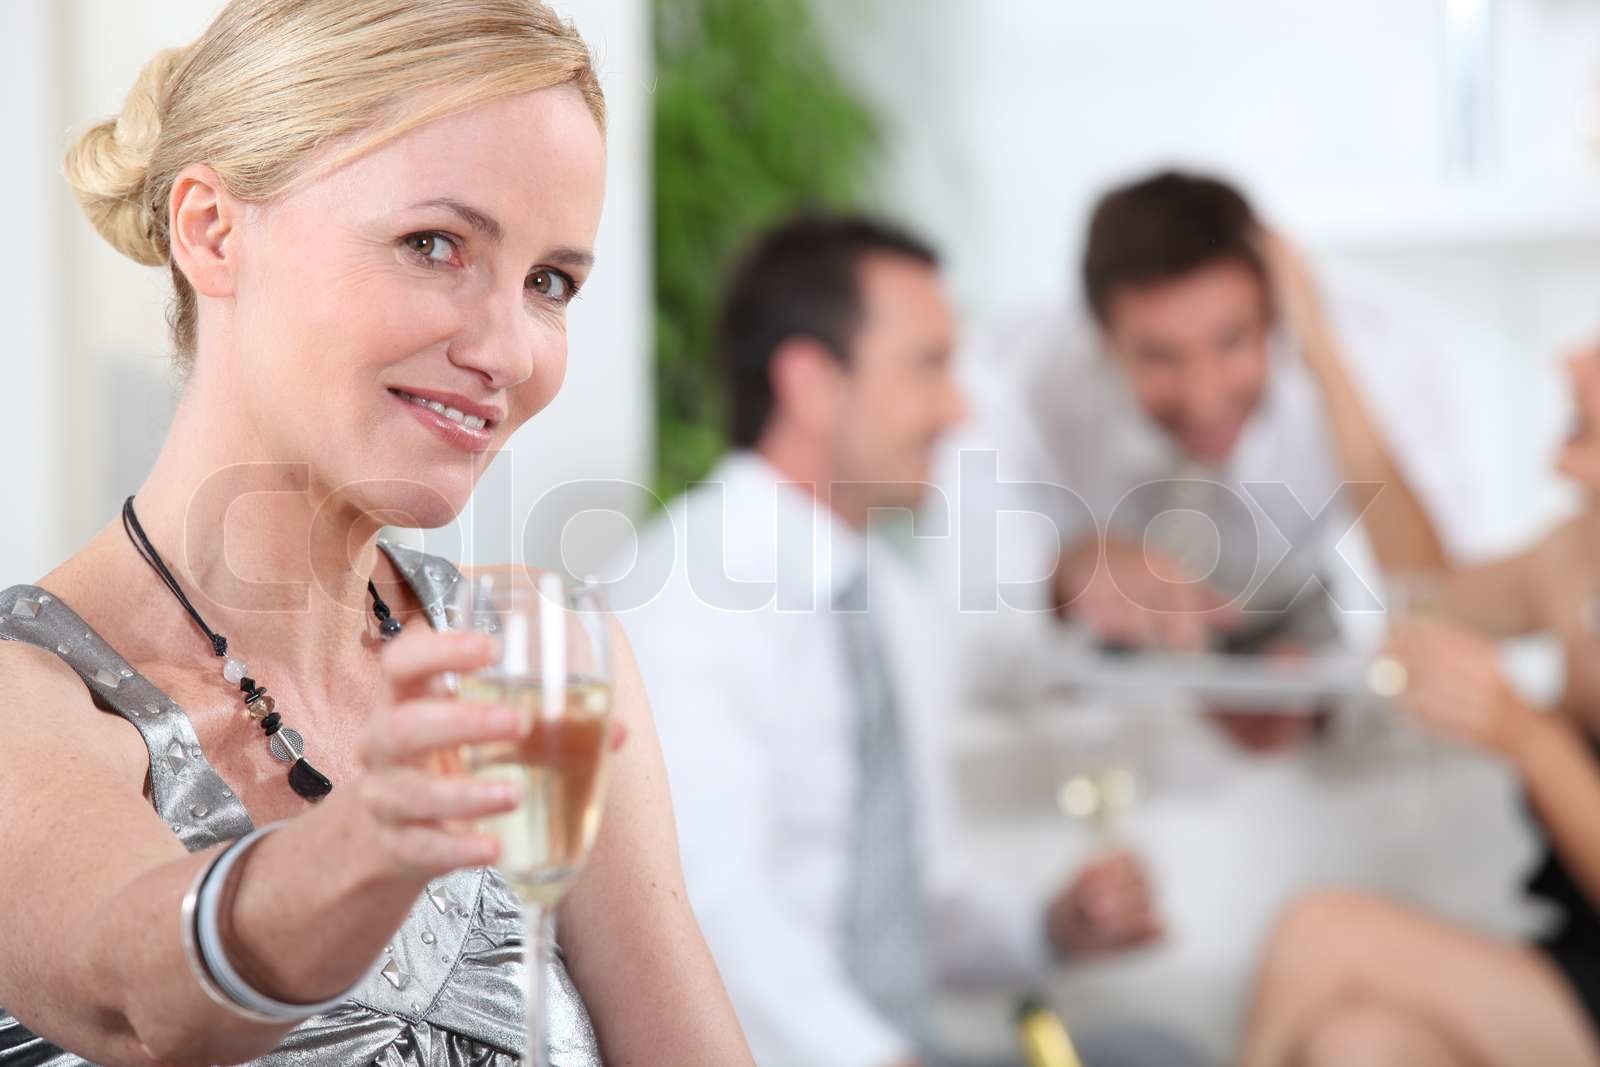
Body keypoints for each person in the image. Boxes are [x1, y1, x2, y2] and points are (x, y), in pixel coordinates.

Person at [0, 2, 753, 1065]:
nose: (507, 350)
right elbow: (140, 1000)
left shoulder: (533, 650)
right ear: (211, 229)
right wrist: (368, 840)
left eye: (549, 282)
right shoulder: (30, 700)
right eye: (434, 245)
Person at [607, 216, 1202, 1067]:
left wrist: (1050, 926)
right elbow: (703, 915)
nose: (958, 410)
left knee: (1154, 1052)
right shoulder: (677, 600)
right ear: (811, 382)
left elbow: (911, 906)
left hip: (891, 1043)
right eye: (929, 366)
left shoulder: (892, 606)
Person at [964, 170, 1472, 751]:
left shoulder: (1378, 351)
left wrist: (1325, 357)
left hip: (1301, 621)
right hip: (1114, 645)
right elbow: (979, 617)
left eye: (1232, 341)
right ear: (1102, 337)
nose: (1204, 398)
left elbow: (1442, 602)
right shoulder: (1021, 374)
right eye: (1160, 357)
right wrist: (1064, 571)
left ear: (1273, 315)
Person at [1239, 349, 1600, 1067]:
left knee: (1320, 934)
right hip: (1577, 964)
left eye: (1583, 426)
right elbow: (1424, 595)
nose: (1556, 463)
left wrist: (1532, 741)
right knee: (1360, 1046)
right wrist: (1322, 350)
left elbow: (1533, 740)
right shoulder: (1575, 557)